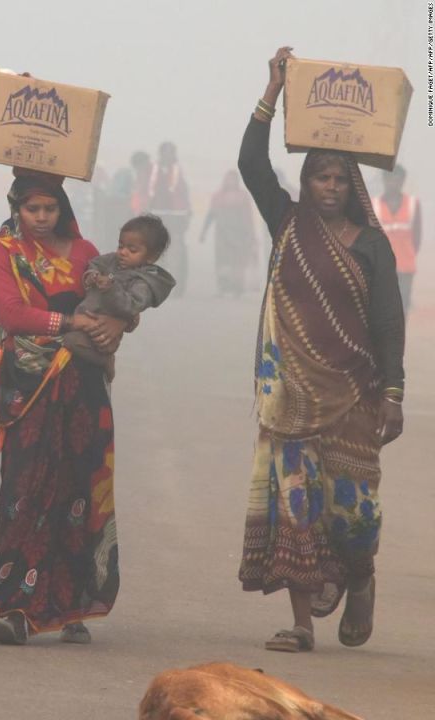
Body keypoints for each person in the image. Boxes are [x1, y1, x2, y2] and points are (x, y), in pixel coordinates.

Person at [236, 47, 405, 654]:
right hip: (291, 398)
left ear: (350, 186)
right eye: (319, 177)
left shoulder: (372, 248)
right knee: (296, 508)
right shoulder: (288, 223)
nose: (329, 187)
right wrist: (272, 90)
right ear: (305, 183)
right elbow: (251, 163)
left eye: (338, 179)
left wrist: (393, 393)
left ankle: (359, 576)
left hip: (356, 395)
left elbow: (389, 323)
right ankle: (302, 624)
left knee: (354, 518)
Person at [0, 167, 128, 646]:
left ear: (63, 209)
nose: (42, 217)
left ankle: (72, 606)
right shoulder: (3, 252)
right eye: (33, 209)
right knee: (24, 491)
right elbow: (11, 314)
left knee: (81, 489)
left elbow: (117, 305)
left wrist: (115, 326)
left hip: (86, 389)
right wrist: (71, 320)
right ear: (17, 209)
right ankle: (12, 607)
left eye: (50, 208)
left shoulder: (88, 253)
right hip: (29, 388)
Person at [62, 214, 175, 378]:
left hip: (103, 334)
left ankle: (105, 360)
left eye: (132, 250)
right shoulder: (112, 260)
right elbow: (94, 263)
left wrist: (110, 288)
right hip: (84, 317)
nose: (123, 252)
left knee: (69, 341)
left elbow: (130, 307)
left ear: (152, 257)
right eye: (120, 246)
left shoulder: (143, 282)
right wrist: (92, 274)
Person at [199, 170, 259, 296]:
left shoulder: (243, 196)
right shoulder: (218, 196)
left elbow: (248, 217)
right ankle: (223, 287)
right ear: (225, 181)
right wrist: (203, 232)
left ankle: (238, 288)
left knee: (237, 262)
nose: (231, 182)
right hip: (222, 234)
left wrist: (252, 235)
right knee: (223, 261)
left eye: (233, 179)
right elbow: (211, 215)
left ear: (237, 181)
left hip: (240, 234)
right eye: (229, 179)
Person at [372, 164, 422, 314]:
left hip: (406, 266)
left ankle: (399, 336)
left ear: (402, 181)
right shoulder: (374, 205)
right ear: (384, 180)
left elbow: (417, 237)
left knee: (403, 305)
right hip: (381, 267)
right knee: (382, 306)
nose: (393, 182)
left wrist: (409, 253)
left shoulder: (413, 204)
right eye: (389, 179)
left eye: (397, 179)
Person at [148, 142, 191, 294]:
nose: (167, 156)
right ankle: (158, 285)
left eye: (170, 152)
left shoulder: (178, 171)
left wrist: (186, 216)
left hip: (175, 217)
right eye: (165, 152)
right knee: (157, 250)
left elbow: (183, 195)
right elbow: (148, 192)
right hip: (157, 214)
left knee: (175, 251)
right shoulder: (154, 170)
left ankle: (175, 286)